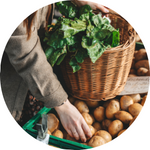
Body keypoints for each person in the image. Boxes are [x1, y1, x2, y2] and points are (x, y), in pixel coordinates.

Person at [1, 0, 109, 143]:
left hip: (41, 78)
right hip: (17, 81)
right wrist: (62, 104)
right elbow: (25, 51)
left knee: (41, 127)